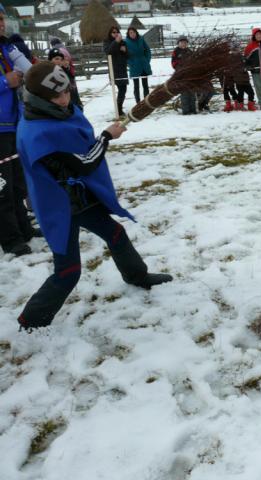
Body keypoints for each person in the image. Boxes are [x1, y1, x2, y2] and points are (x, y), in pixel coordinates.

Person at [16, 62, 173, 330]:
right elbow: (85, 161)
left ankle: (137, 276)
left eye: (67, 91)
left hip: (78, 199)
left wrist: (102, 136)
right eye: (58, 96)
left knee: (116, 234)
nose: (65, 98)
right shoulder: (39, 131)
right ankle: (30, 320)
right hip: (59, 207)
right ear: (42, 99)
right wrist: (107, 136)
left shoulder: (58, 114)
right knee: (68, 272)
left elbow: (78, 144)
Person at [0, 7, 37, 257]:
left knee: (17, 181)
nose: (1, 24)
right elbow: (7, 79)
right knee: (2, 186)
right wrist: (5, 81)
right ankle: (10, 239)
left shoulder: (5, 47)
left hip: (13, 123)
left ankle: (24, 229)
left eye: (1, 18)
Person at [103, 26, 128, 117]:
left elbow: (127, 56)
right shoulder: (107, 42)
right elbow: (108, 52)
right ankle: (119, 110)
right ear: (110, 33)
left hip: (122, 69)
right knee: (120, 89)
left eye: (117, 32)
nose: (115, 33)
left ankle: (119, 108)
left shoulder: (123, 42)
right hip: (114, 70)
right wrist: (116, 42)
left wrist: (125, 51)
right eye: (113, 32)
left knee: (123, 89)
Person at [124, 27, 152, 103]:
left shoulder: (141, 39)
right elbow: (125, 55)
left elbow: (147, 50)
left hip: (144, 64)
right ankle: (138, 102)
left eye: (133, 32)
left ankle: (146, 102)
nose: (132, 34)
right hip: (134, 66)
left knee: (145, 85)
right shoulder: (126, 42)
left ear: (136, 32)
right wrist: (131, 63)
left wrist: (147, 60)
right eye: (130, 33)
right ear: (128, 34)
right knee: (136, 86)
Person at [171, 36, 196, 115]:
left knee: (192, 92)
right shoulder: (176, 51)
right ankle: (186, 110)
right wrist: (180, 68)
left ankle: (193, 109)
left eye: (185, 43)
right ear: (178, 43)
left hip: (190, 75)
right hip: (181, 75)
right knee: (184, 93)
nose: (183, 44)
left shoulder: (189, 51)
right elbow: (173, 63)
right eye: (181, 43)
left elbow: (194, 62)